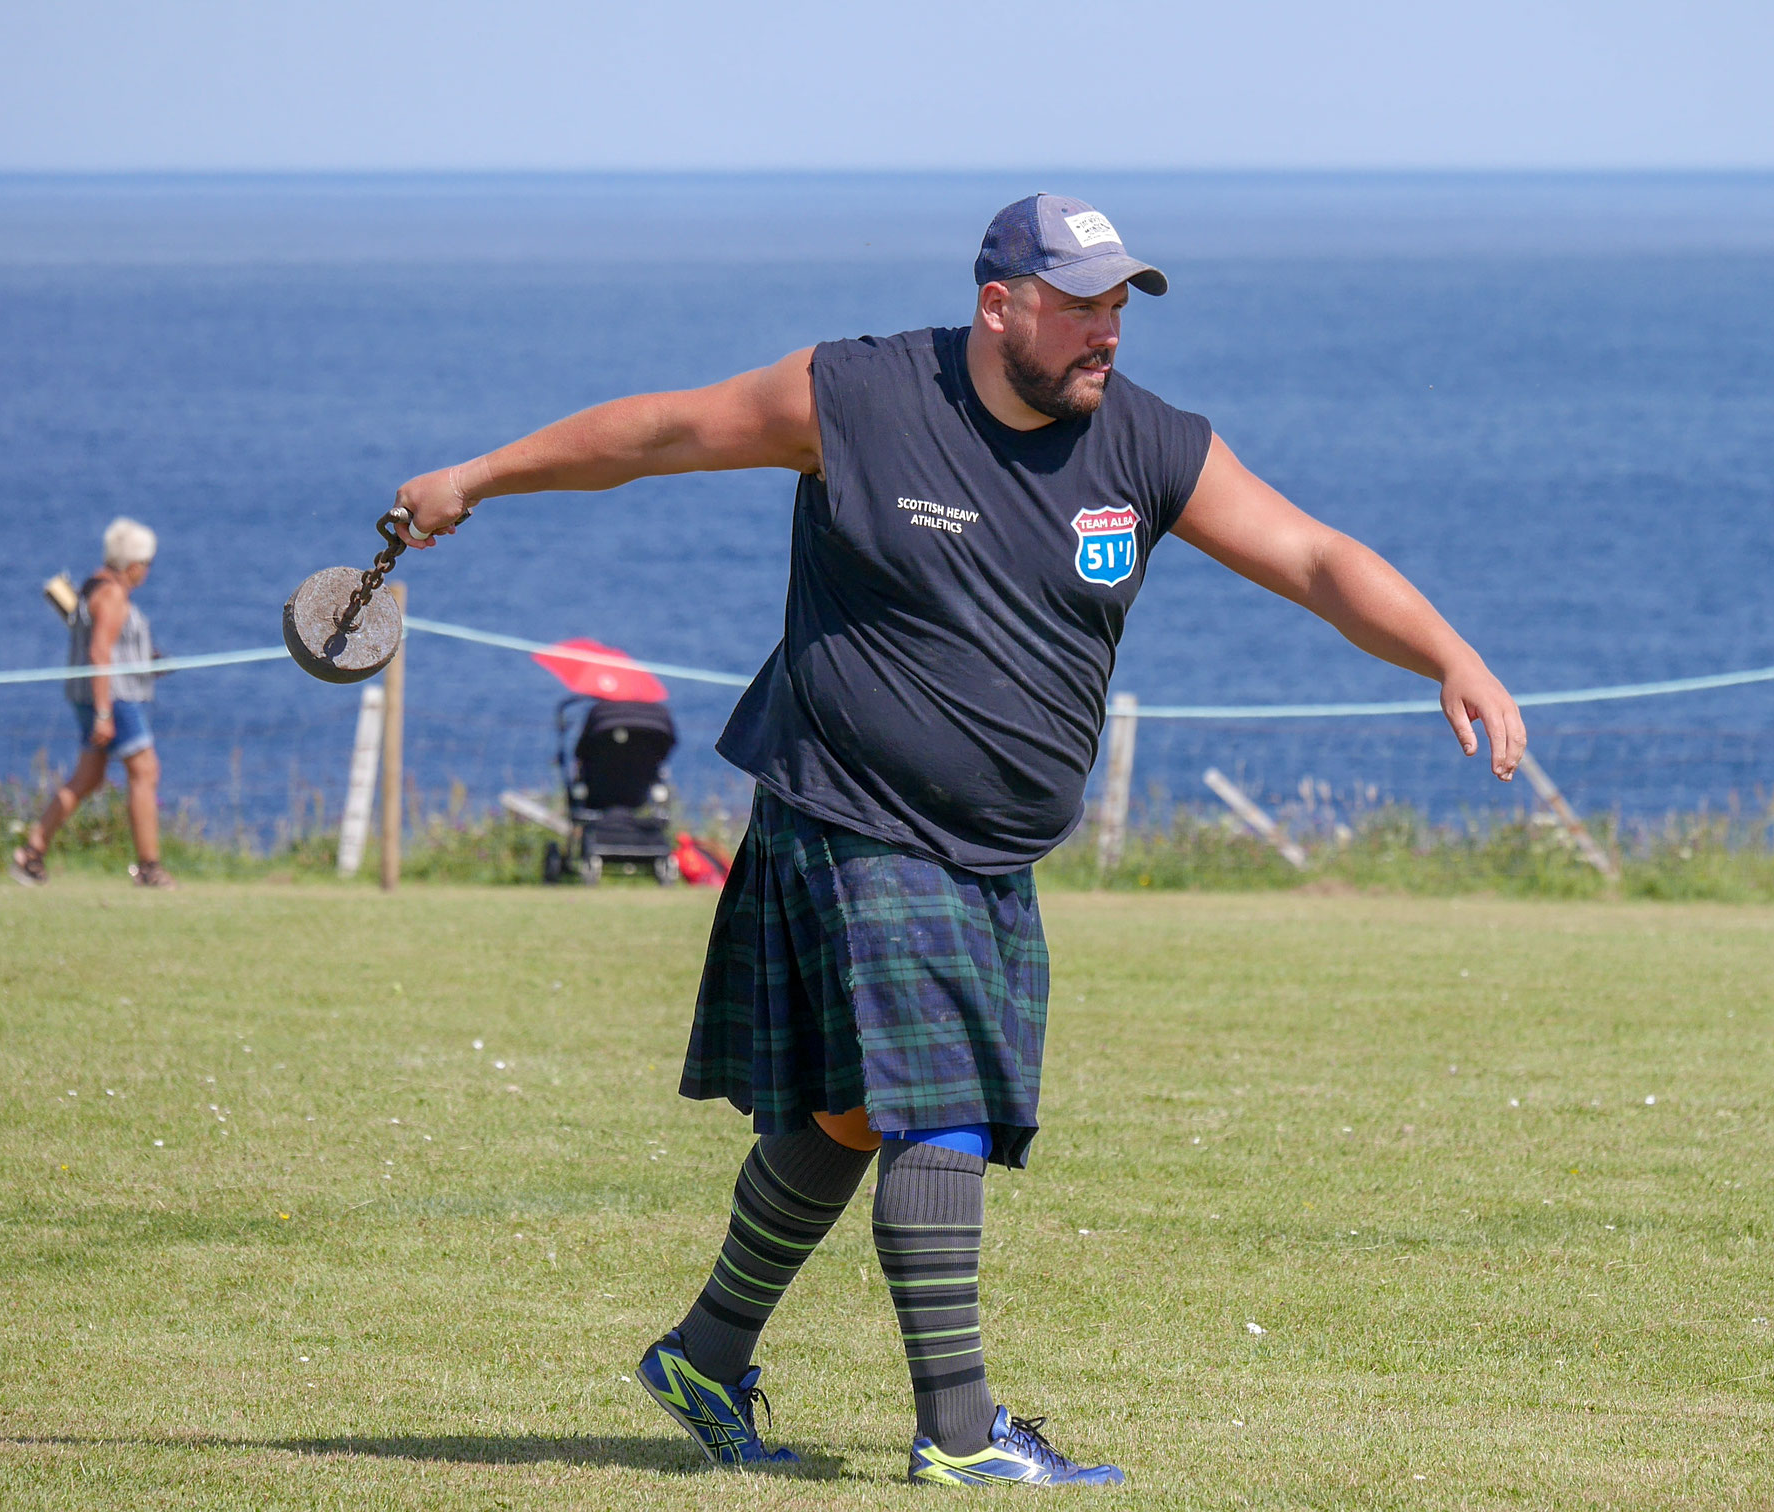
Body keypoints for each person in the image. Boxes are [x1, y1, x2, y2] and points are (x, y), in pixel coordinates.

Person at [391, 194, 1526, 1486]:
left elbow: (1315, 557)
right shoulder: (861, 398)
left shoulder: (1146, 446)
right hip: (852, 807)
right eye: (1079, 304)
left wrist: (1449, 652)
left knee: (858, 1115)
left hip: (990, 850)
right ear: (1000, 305)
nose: (1105, 332)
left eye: (1118, 305)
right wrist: (473, 476)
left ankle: (705, 1352)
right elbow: (656, 434)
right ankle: (961, 1436)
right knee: (945, 1108)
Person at [10, 517, 176, 890]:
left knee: (88, 777)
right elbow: (101, 651)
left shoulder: (93, 586)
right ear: (134, 565)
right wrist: (105, 713)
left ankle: (32, 852)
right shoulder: (114, 595)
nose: (147, 572)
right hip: (113, 697)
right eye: (147, 565)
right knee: (145, 771)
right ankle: (149, 866)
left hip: (89, 695)